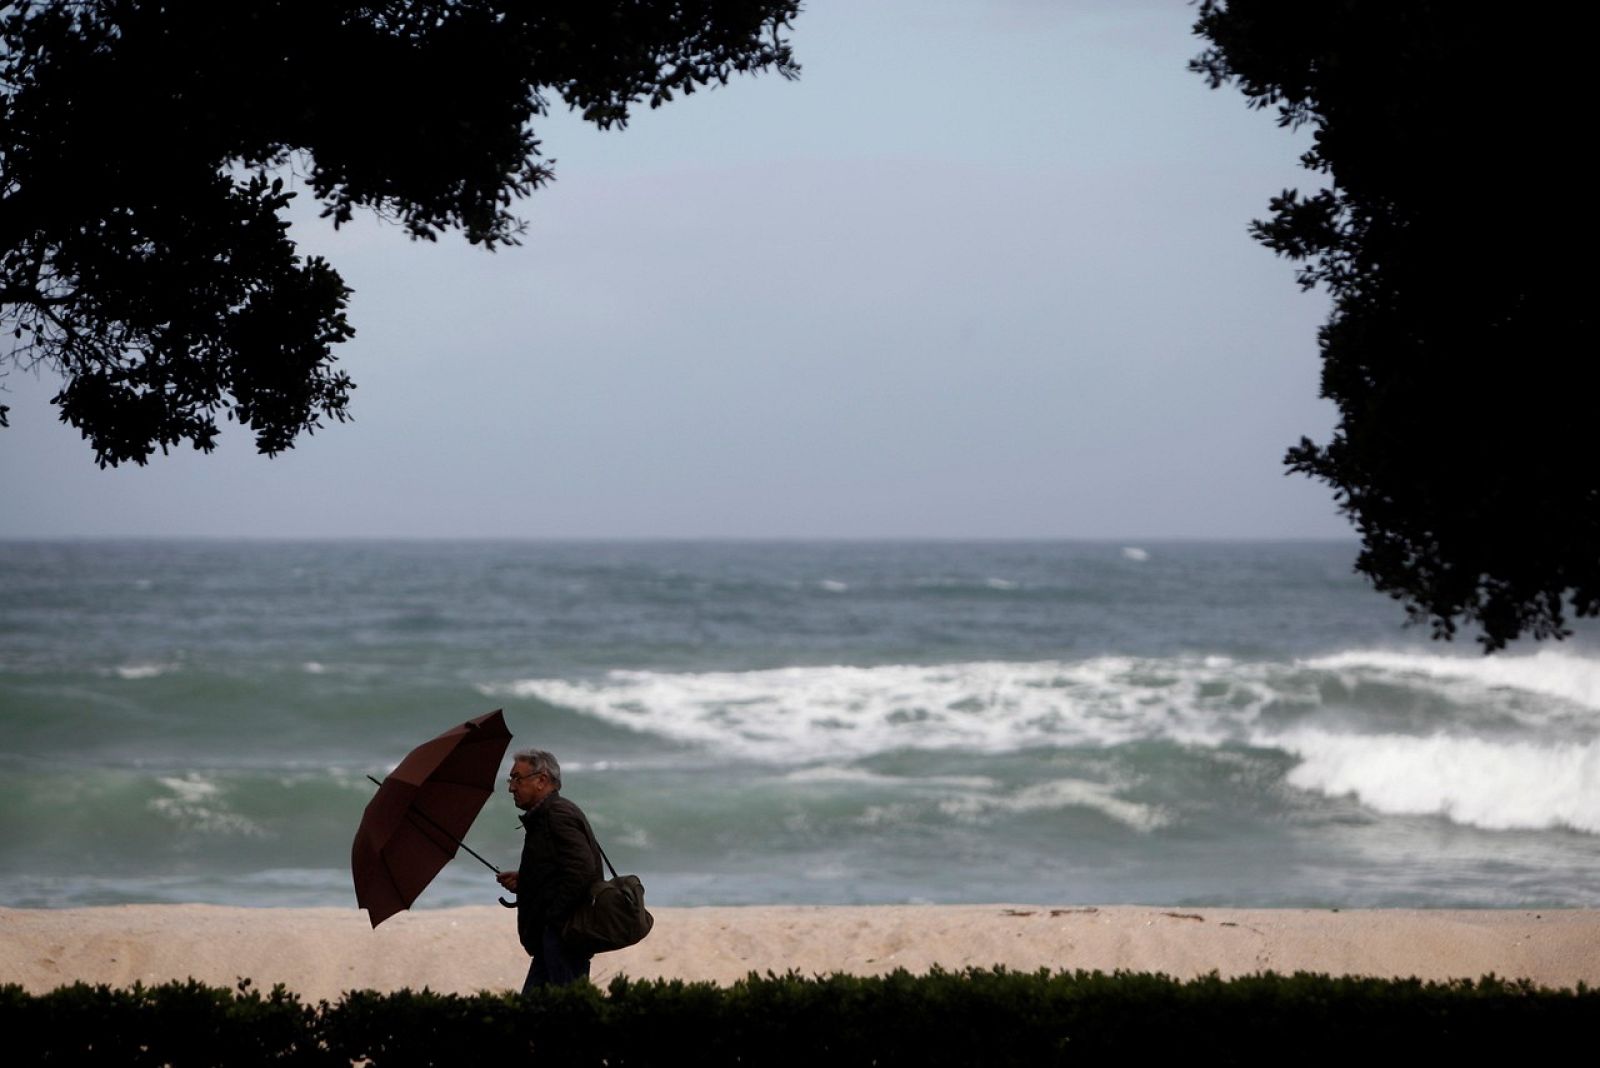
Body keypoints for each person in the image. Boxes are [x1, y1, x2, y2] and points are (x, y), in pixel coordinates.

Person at [496, 748, 602, 992]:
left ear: (542, 780)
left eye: (517, 778)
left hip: (563, 937)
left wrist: (554, 918)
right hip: (558, 936)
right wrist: (526, 882)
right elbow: (562, 872)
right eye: (511, 779)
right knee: (541, 1016)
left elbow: (583, 870)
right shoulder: (547, 815)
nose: (511, 787)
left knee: (563, 1014)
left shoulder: (557, 814)